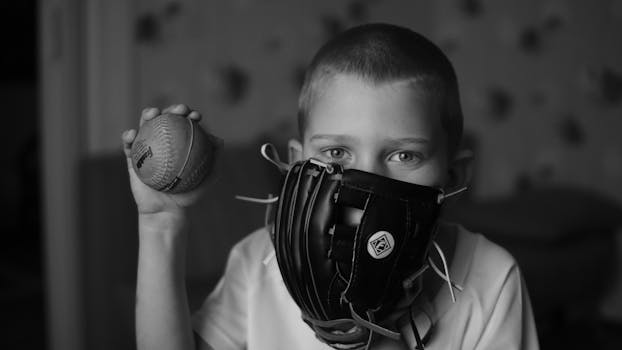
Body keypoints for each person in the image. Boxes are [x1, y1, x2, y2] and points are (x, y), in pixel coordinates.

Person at [122, 23, 539, 350]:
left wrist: (372, 338)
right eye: (337, 153)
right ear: (296, 164)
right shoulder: (258, 263)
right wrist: (160, 225)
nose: (369, 184)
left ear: (454, 177)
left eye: (404, 156)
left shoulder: (492, 277)